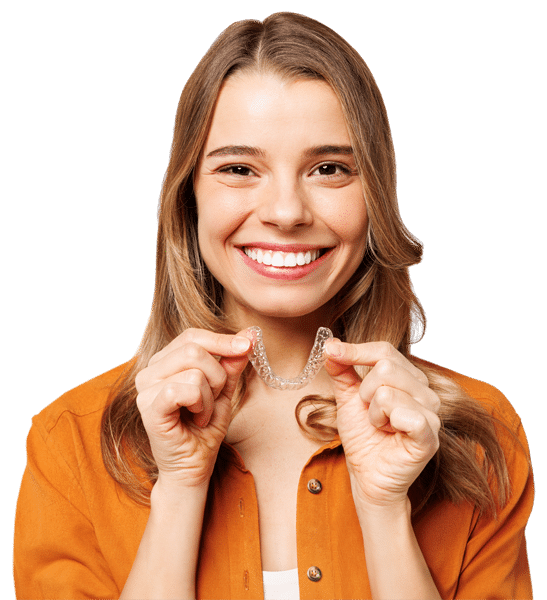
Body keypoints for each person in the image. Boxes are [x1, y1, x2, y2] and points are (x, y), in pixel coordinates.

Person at [13, 11, 533, 600]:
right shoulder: (72, 444)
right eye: (239, 169)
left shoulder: (476, 435)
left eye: (329, 168)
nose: (286, 212)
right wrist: (180, 490)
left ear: (377, 198)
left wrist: (386, 512)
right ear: (189, 199)